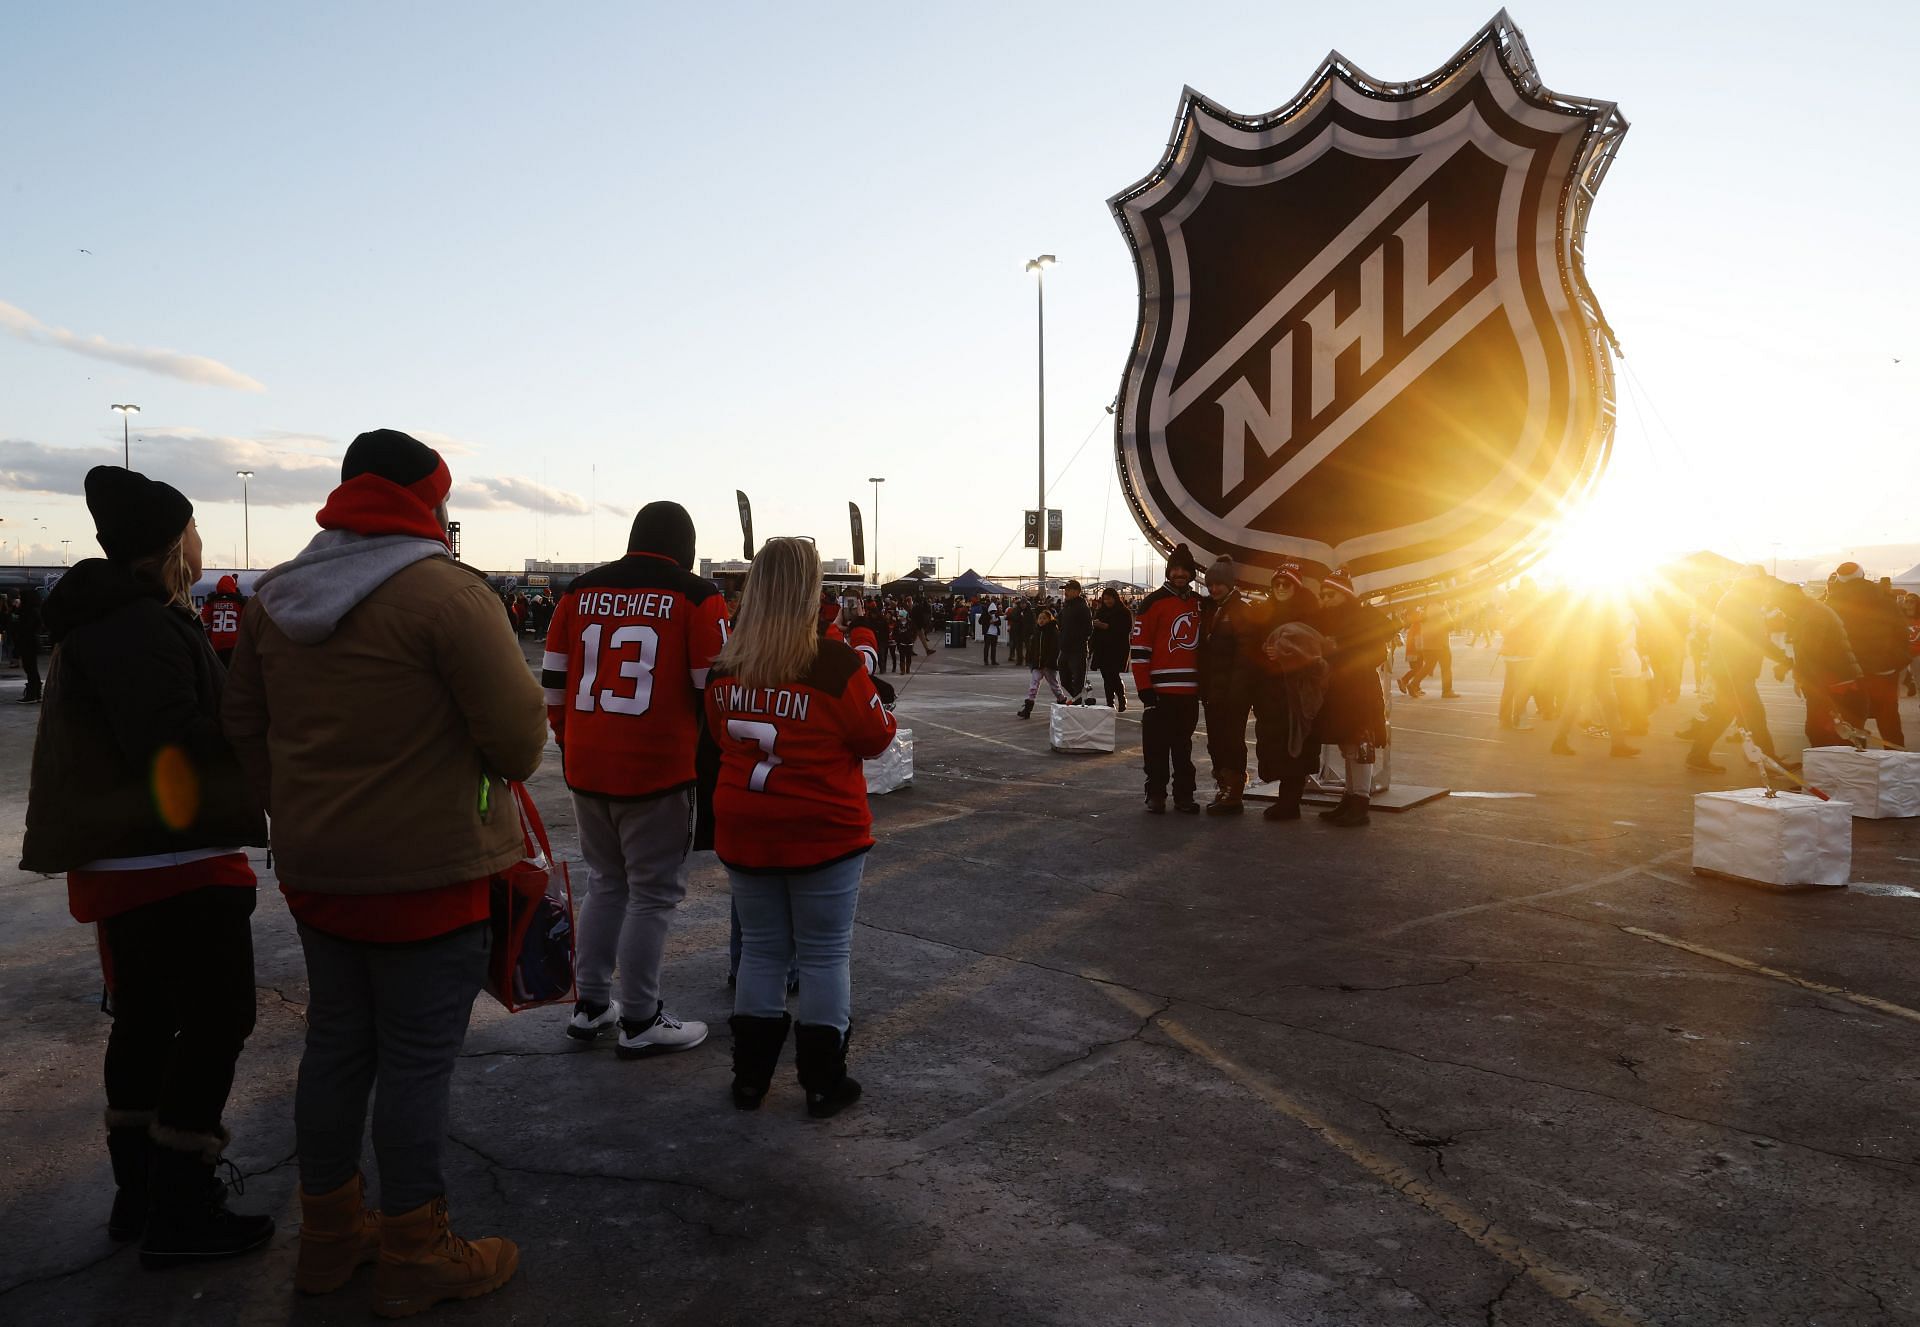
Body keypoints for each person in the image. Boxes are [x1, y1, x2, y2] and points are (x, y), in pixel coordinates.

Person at [223, 430, 544, 1314]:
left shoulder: (277, 595)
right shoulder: (445, 592)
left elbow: (243, 726)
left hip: (321, 871)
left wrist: (299, 814)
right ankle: (414, 1245)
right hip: (430, 874)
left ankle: (328, 1238)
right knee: (414, 1062)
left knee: (335, 1045)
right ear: (429, 500)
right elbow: (518, 739)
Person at [23, 467, 273, 1269]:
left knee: (145, 1020)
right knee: (216, 1018)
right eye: (193, 528)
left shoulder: (113, 619)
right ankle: (180, 1204)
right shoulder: (137, 625)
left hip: (132, 857)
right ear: (172, 544)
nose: (201, 541)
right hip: (171, 859)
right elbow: (167, 737)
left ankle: (142, 1196)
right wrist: (250, 736)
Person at [705, 537, 896, 1118]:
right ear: (811, 591)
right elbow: (876, 738)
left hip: (746, 822)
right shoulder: (833, 662)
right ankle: (821, 1080)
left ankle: (749, 1079)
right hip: (822, 827)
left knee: (761, 951)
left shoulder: (726, 663)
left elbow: (718, 737)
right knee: (823, 954)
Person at [541, 502, 727, 1064]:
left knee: (605, 882)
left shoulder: (579, 591)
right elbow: (712, 688)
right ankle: (641, 1016)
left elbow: (553, 678)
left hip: (587, 764)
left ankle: (592, 1002)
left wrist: (570, 739)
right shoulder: (698, 596)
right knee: (652, 893)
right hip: (657, 768)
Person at [1310, 568, 1394, 827]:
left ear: (1344, 594)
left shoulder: (1363, 618)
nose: (1324, 600)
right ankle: (1349, 798)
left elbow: (1377, 654)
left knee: (1360, 745)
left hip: (1360, 690)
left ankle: (1360, 802)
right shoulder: (1329, 618)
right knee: (1348, 745)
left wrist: (1341, 652)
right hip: (1339, 690)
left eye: (1330, 594)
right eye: (1322, 595)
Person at [1131, 545, 1204, 813]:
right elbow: (1139, 652)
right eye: (1175, 569)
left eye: (1185, 570)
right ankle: (1156, 793)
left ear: (1192, 573)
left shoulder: (1200, 603)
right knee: (1156, 748)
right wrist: (1145, 690)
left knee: (1183, 748)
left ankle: (1184, 795)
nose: (1180, 574)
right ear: (1168, 572)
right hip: (1160, 692)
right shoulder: (1152, 603)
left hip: (1189, 692)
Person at [1198, 556, 1274, 816]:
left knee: (1230, 741)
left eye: (1219, 584)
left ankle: (1234, 792)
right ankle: (1224, 786)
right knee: (1217, 741)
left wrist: (1237, 691)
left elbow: (1246, 655)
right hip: (1214, 690)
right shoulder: (1213, 609)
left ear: (1230, 584)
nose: (1214, 588)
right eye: (1211, 584)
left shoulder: (1240, 611)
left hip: (1232, 693)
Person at [1827, 562, 1907, 748]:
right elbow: (1901, 634)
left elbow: (1827, 641)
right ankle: (1896, 763)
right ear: (1862, 575)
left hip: (1849, 673)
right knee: (1889, 720)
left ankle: (1855, 762)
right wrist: (1895, 662)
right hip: (1884, 672)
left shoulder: (1832, 603)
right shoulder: (1886, 599)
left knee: (1853, 721)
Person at [1549, 594, 1639, 759]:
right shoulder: (1602, 613)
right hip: (1592, 663)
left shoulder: (1580, 612)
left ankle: (1618, 744)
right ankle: (1560, 741)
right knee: (1589, 703)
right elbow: (1614, 635)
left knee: (1603, 703)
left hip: (1586, 662)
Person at [1775, 580, 1861, 749]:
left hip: (1832, 679)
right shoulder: (1810, 612)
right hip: (1832, 677)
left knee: (1822, 730)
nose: (1784, 613)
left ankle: (1833, 769)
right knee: (1826, 730)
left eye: (1783, 607)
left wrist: (1802, 678)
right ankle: (1836, 766)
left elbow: (1810, 653)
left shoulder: (1813, 616)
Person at [1016, 607, 1069, 717]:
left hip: (1048, 665)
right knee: (1033, 685)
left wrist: (1049, 661)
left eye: (1044, 618)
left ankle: (1062, 701)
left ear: (1049, 619)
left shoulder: (1053, 632)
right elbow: (1033, 648)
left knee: (1054, 686)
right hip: (1037, 664)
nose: (1041, 620)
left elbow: (1055, 649)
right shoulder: (1037, 632)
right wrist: (1030, 659)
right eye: (1040, 618)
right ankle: (1028, 708)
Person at [1090, 586, 1133, 710]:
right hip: (1102, 649)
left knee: (1113, 675)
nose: (1107, 602)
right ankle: (1109, 702)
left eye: (1109, 599)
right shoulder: (1101, 612)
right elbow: (1095, 633)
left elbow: (1125, 629)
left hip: (1117, 649)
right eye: (1105, 599)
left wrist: (1106, 626)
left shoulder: (1123, 612)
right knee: (1106, 676)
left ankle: (1121, 697)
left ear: (1115, 598)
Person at [199, 574, 247, 669]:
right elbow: (247, 622)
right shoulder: (240, 602)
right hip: (235, 644)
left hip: (216, 644)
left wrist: (210, 636)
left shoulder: (211, 601)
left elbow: (205, 623)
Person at [1057, 579, 1093, 702]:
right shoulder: (1066, 606)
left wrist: (1077, 638)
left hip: (1077, 649)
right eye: (1065, 590)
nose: (1065, 592)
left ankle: (1078, 702)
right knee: (1064, 680)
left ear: (1077, 591)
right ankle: (1078, 699)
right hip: (1065, 649)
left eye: (1068, 589)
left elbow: (1089, 629)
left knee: (1078, 680)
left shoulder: (1082, 607)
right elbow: (1060, 624)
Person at [14, 586, 43, 702]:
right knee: (32, 668)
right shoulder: (35, 610)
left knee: (29, 668)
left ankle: (31, 694)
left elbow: (23, 628)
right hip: (32, 642)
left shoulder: (27, 611)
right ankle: (36, 692)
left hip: (27, 643)